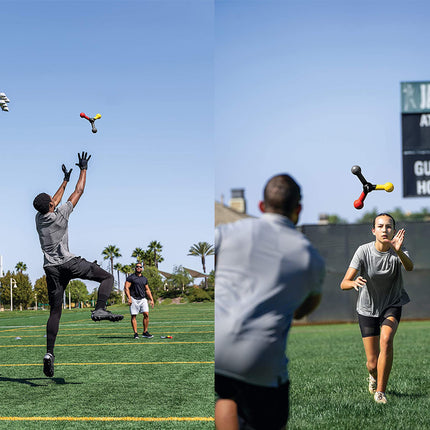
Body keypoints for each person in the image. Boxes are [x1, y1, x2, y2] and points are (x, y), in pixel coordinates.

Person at [215, 174, 325, 430]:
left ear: (261, 206)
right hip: (260, 359)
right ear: (298, 210)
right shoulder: (310, 257)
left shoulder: (226, 232)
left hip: (217, 348)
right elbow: (305, 309)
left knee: (227, 396)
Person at [33, 152, 123, 378]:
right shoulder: (60, 215)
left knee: (55, 311)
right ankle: (100, 308)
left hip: (50, 269)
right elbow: (78, 191)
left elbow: (53, 200)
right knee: (107, 278)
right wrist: (84, 169)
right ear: (52, 205)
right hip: (68, 263)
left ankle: (49, 354)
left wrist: (63, 180)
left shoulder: (39, 218)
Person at [340, 213, 413, 404]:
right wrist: (354, 281)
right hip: (367, 308)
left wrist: (398, 251)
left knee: (387, 340)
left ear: (394, 231)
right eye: (380, 226)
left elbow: (410, 267)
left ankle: (380, 392)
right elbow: (344, 283)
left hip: (392, 303)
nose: (384, 230)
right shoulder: (363, 251)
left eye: (389, 227)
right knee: (372, 363)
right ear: (373, 230)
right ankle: (373, 376)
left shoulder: (399, 250)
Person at [124, 263, 155, 339]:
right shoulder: (131, 278)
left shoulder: (144, 279)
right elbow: (126, 288)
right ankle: (135, 333)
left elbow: (147, 290)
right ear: (135, 268)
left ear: (142, 268)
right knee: (134, 316)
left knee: (146, 314)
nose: (138, 268)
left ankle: (145, 332)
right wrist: (129, 298)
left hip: (143, 299)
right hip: (134, 299)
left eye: (140, 267)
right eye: (137, 267)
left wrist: (151, 299)